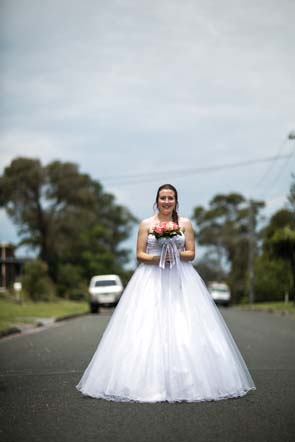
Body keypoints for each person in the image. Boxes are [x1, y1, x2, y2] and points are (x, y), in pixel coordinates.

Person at [76, 184, 256, 403]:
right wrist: (158, 258)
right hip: (150, 277)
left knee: (184, 323)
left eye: (171, 198)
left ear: (176, 201)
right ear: (157, 200)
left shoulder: (185, 224)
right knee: (146, 325)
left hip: (181, 277)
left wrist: (175, 253)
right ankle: (146, 382)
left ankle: (188, 381)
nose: (167, 201)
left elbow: (191, 254)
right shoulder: (146, 224)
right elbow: (140, 255)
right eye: (163, 198)